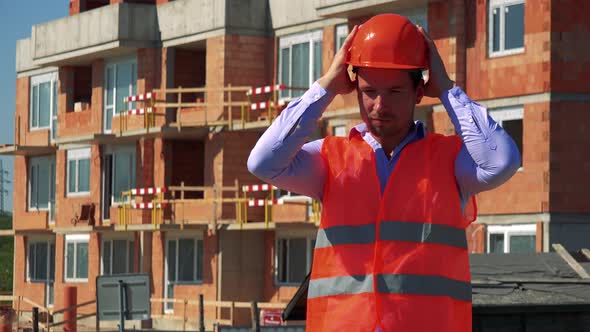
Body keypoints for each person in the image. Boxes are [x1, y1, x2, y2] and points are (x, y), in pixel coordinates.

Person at [248, 14, 520, 332]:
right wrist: (324, 89)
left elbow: (502, 161)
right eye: (369, 91)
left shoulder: (451, 160)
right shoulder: (330, 157)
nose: (379, 104)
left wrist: (447, 90)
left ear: (419, 91)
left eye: (394, 91)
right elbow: (263, 163)